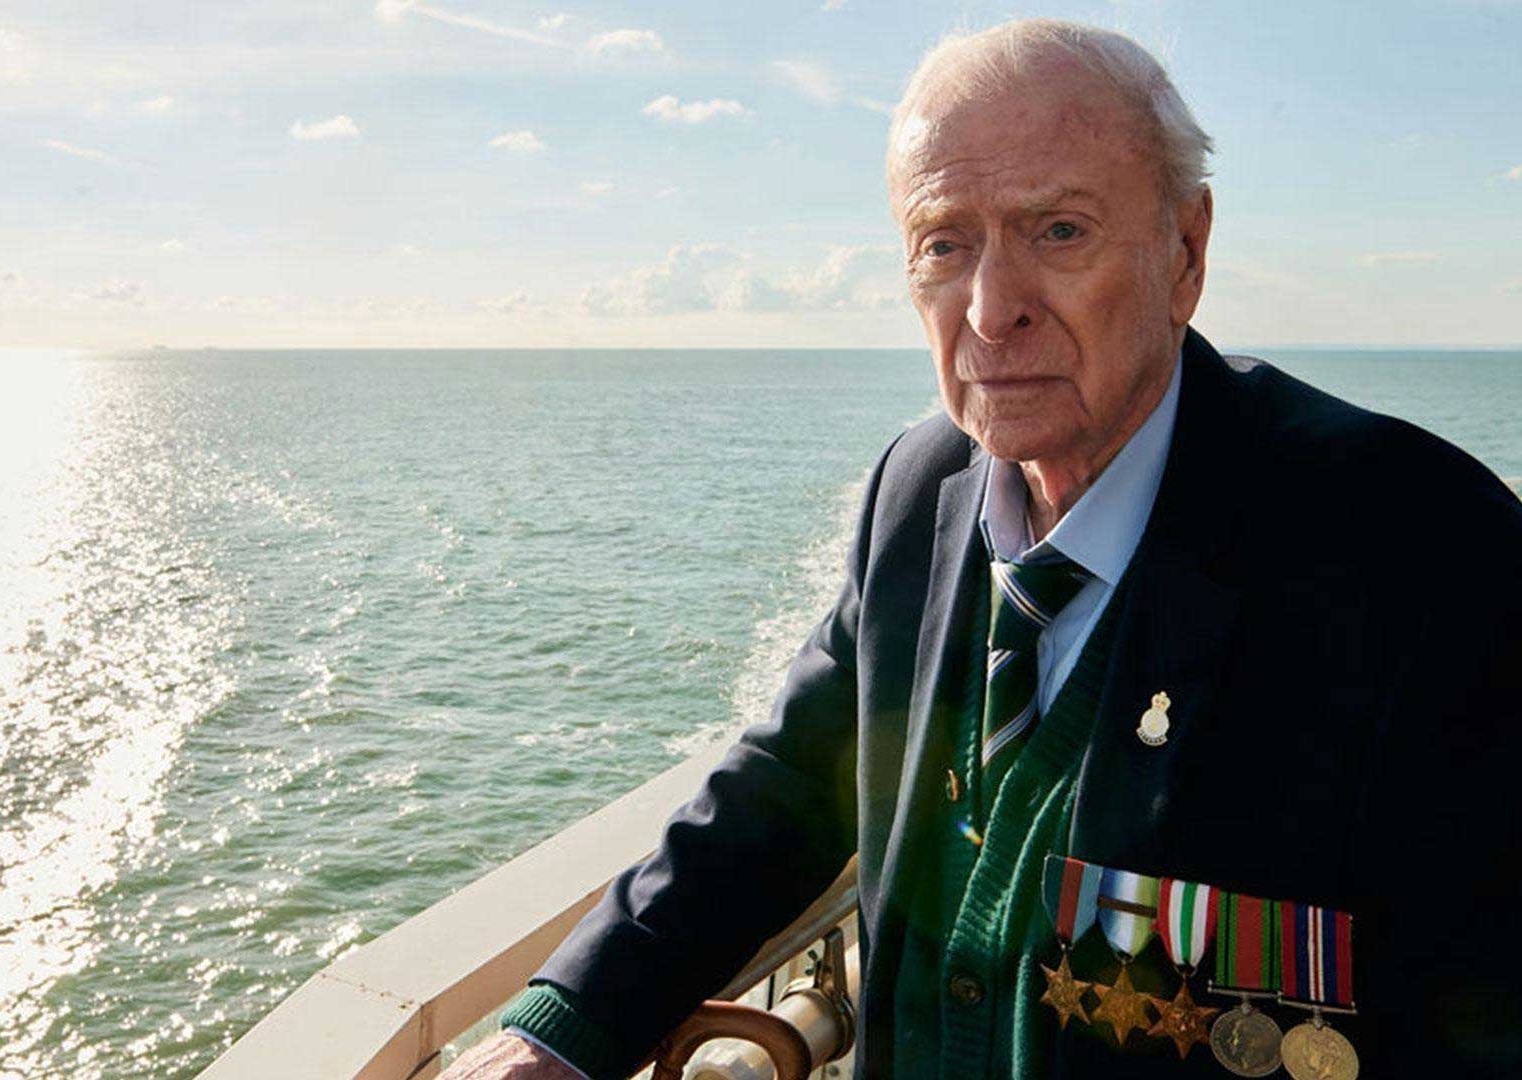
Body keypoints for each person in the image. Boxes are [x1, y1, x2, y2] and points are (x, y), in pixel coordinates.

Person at [446, 18, 1522, 1080]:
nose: (991, 309)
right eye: (945, 245)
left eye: (1059, 232)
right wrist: (564, 1027)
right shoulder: (919, 491)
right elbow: (793, 780)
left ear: (1185, 253)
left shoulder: (1416, 549)